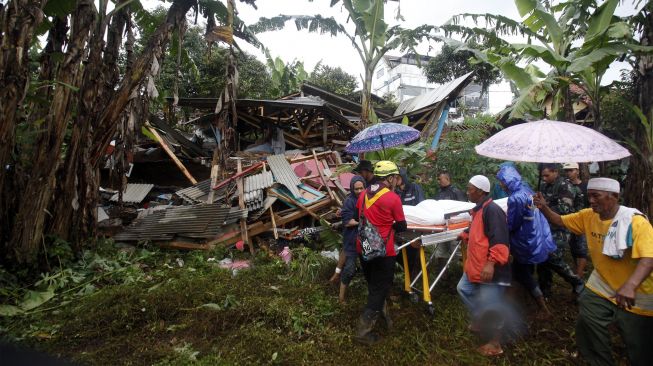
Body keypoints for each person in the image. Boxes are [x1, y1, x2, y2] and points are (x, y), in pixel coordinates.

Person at [534, 178, 653, 366]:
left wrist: (631, 285)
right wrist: (543, 207)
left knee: (638, 340)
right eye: (589, 196)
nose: (591, 200)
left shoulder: (635, 222)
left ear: (614, 196)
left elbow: (649, 257)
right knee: (588, 320)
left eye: (596, 196)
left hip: (637, 289)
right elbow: (559, 221)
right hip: (603, 282)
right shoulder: (588, 216)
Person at [456, 175, 511, 356]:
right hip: (476, 265)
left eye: (470, 189)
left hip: (490, 267)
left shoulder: (492, 211)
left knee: (491, 303)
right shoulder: (479, 210)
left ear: (480, 191)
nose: (467, 191)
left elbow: (500, 240)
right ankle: (482, 319)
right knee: (463, 288)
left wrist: (491, 263)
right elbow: (476, 230)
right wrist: (465, 235)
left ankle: (495, 343)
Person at [354, 160, 407, 345]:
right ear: (390, 178)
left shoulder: (363, 195)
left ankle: (384, 315)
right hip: (384, 251)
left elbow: (357, 217)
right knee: (379, 288)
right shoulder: (392, 198)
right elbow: (401, 226)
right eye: (395, 177)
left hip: (364, 247)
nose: (396, 180)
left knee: (374, 285)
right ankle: (363, 332)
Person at [497, 165, 555, 319]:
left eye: (502, 181)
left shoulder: (515, 198)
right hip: (537, 236)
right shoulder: (528, 189)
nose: (500, 184)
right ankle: (515, 304)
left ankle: (543, 307)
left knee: (523, 274)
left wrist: (502, 229)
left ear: (507, 180)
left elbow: (513, 223)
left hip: (524, 241)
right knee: (520, 273)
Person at [537, 163, 585, 298]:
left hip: (562, 228)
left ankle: (576, 280)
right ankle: (544, 289)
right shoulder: (544, 186)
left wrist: (545, 206)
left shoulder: (565, 186)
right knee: (542, 258)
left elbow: (565, 211)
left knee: (553, 256)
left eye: (547, 175)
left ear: (555, 172)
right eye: (543, 176)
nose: (545, 178)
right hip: (546, 227)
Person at [330, 175, 366, 303]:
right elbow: (347, 222)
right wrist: (362, 222)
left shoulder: (368, 198)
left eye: (361, 188)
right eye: (356, 189)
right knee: (350, 269)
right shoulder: (349, 201)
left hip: (365, 241)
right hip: (352, 240)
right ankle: (341, 297)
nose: (359, 191)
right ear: (352, 189)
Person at [563, 162, 589, 278]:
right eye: (567, 171)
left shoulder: (585, 187)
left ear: (577, 171)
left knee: (582, 248)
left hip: (582, 221)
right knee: (573, 247)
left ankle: (579, 276)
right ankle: (578, 270)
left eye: (571, 170)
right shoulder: (564, 186)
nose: (568, 173)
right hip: (568, 221)